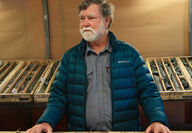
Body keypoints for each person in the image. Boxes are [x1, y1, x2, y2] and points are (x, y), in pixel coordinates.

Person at [27, 0, 171, 133]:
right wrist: (46, 121)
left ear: (107, 21)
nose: (85, 24)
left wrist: (158, 120)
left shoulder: (129, 54)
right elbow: (59, 96)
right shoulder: (70, 58)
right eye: (82, 19)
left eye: (91, 18)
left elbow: (148, 91)